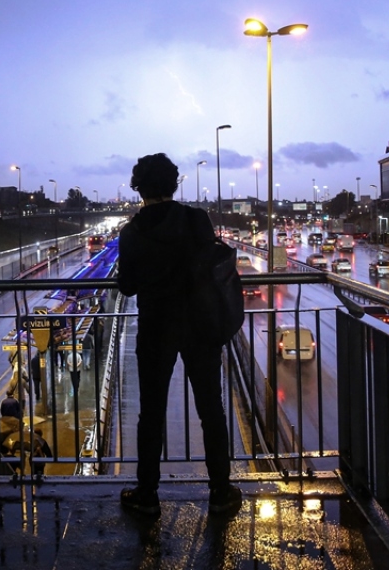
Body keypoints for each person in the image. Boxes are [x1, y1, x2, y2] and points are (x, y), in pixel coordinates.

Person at [116, 153, 242, 519]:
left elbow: (127, 287)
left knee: (151, 412)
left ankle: (147, 493)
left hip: (156, 328)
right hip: (201, 324)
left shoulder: (132, 231)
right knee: (211, 408)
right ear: (175, 185)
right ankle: (220, 490)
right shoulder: (197, 219)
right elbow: (211, 263)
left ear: (139, 188)